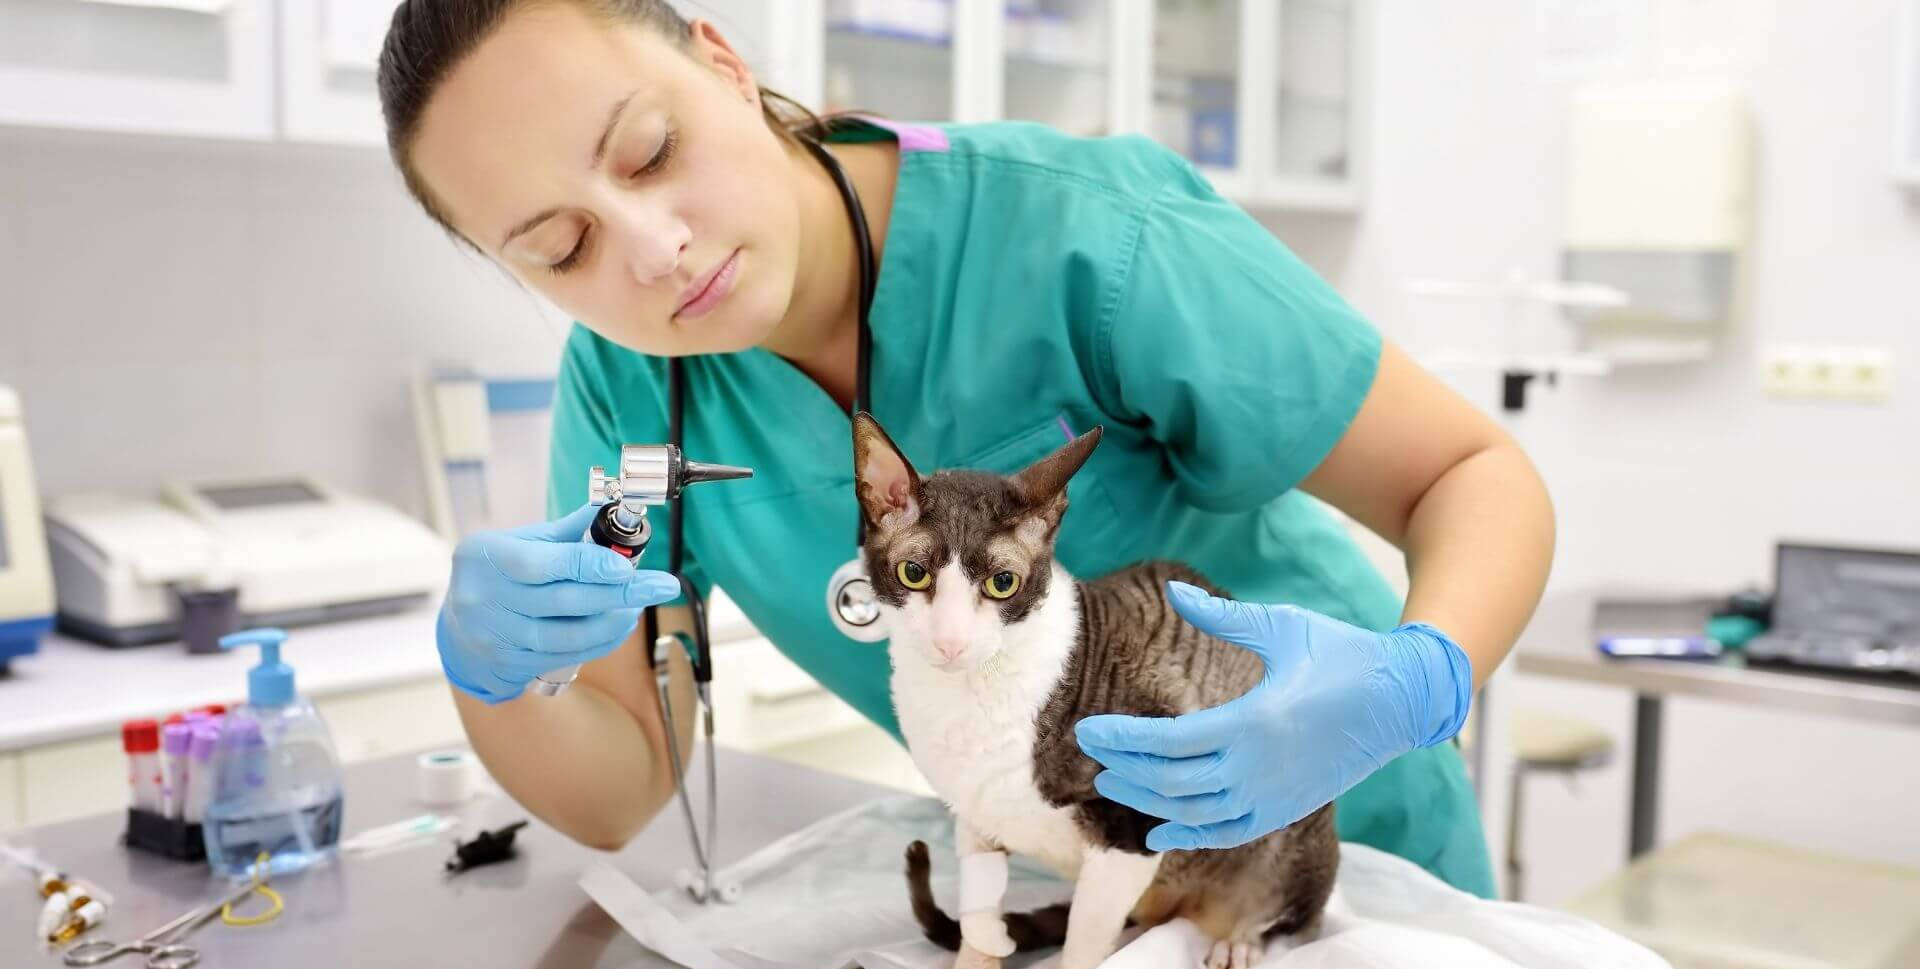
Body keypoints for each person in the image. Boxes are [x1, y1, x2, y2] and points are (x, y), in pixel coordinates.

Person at [377, 0, 1554, 896]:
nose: (654, 249)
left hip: (1346, 862)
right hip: (1084, 891)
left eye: (648, 154)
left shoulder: (1081, 237)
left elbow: (1468, 477)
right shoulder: (633, 397)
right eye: (562, 246)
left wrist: (1413, 682)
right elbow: (619, 783)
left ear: (723, 65)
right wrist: (498, 675)